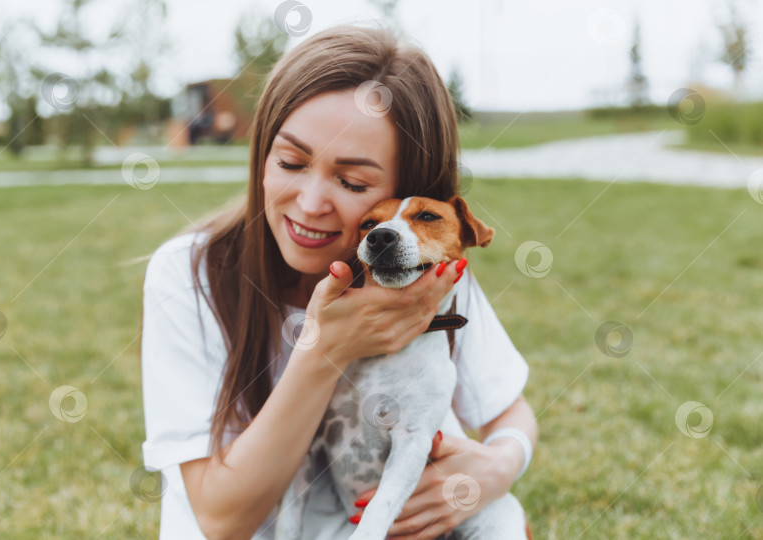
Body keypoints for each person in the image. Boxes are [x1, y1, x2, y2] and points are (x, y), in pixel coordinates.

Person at [141, 23, 538, 540]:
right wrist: (325, 347)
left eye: (352, 182)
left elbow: (511, 413)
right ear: (261, 153)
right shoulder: (188, 276)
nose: (309, 204)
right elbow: (221, 519)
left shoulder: (428, 281)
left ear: (406, 193)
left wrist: (496, 468)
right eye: (289, 161)